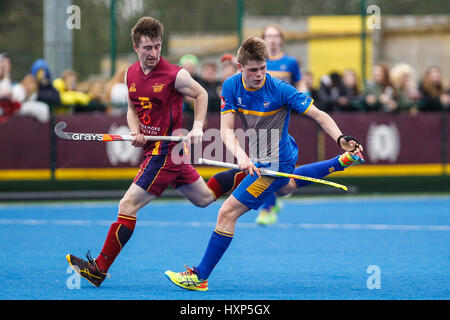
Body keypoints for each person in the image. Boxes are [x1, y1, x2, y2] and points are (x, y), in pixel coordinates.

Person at [164, 37, 364, 291]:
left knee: (227, 213)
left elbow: (319, 115)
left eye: (262, 68)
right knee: (285, 187)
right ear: (240, 68)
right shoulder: (231, 87)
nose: (259, 75)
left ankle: (200, 277)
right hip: (259, 158)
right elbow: (226, 131)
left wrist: (340, 137)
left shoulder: (281, 89)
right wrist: (243, 158)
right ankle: (341, 162)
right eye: (252, 70)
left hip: (278, 161)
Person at [65, 16, 218, 287]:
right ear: (136, 47)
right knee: (205, 198)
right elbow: (132, 107)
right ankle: (247, 177)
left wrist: (196, 126)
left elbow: (202, 94)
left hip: (165, 151)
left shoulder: (175, 75)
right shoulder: (130, 73)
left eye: (157, 46)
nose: (153, 53)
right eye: (147, 48)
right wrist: (135, 130)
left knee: (127, 205)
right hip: (155, 149)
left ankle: (98, 268)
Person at [255, 23, 303, 226]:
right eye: (269, 36)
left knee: (272, 161)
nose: (272, 40)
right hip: (260, 119)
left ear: (281, 40)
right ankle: (272, 202)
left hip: (282, 118)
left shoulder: (290, 62)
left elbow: (300, 84)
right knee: (265, 162)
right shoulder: (258, 62)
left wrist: (303, 97)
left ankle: (268, 207)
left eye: (276, 36)